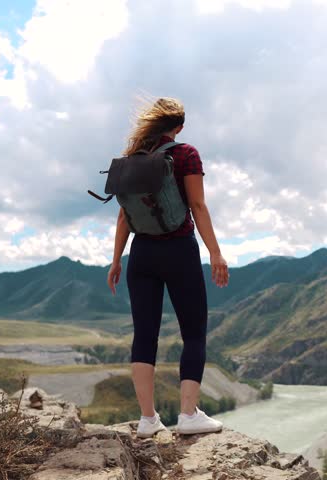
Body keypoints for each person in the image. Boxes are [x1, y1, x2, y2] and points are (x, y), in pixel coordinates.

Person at [107, 97, 229, 437]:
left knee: (144, 335)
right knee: (193, 332)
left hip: (141, 253)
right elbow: (198, 206)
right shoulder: (185, 154)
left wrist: (117, 260)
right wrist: (215, 253)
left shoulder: (133, 160)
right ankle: (188, 416)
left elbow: (123, 216)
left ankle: (148, 420)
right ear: (179, 126)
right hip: (179, 251)